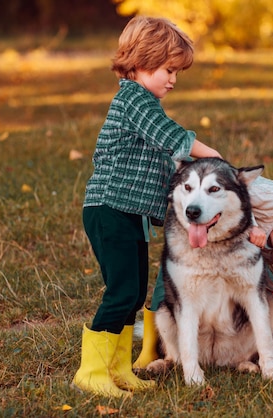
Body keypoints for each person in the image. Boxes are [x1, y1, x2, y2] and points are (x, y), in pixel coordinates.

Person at [73, 16, 221, 398]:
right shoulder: (133, 98)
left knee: (135, 291)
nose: (173, 79)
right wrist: (211, 155)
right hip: (109, 209)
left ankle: (118, 368)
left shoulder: (144, 100)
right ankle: (91, 372)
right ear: (141, 62)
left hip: (130, 214)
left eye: (176, 72)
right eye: (168, 69)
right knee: (121, 291)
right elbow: (167, 135)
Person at [133, 176, 273, 368]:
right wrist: (250, 226)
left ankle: (244, 357)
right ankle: (157, 348)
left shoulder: (272, 255)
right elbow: (229, 184)